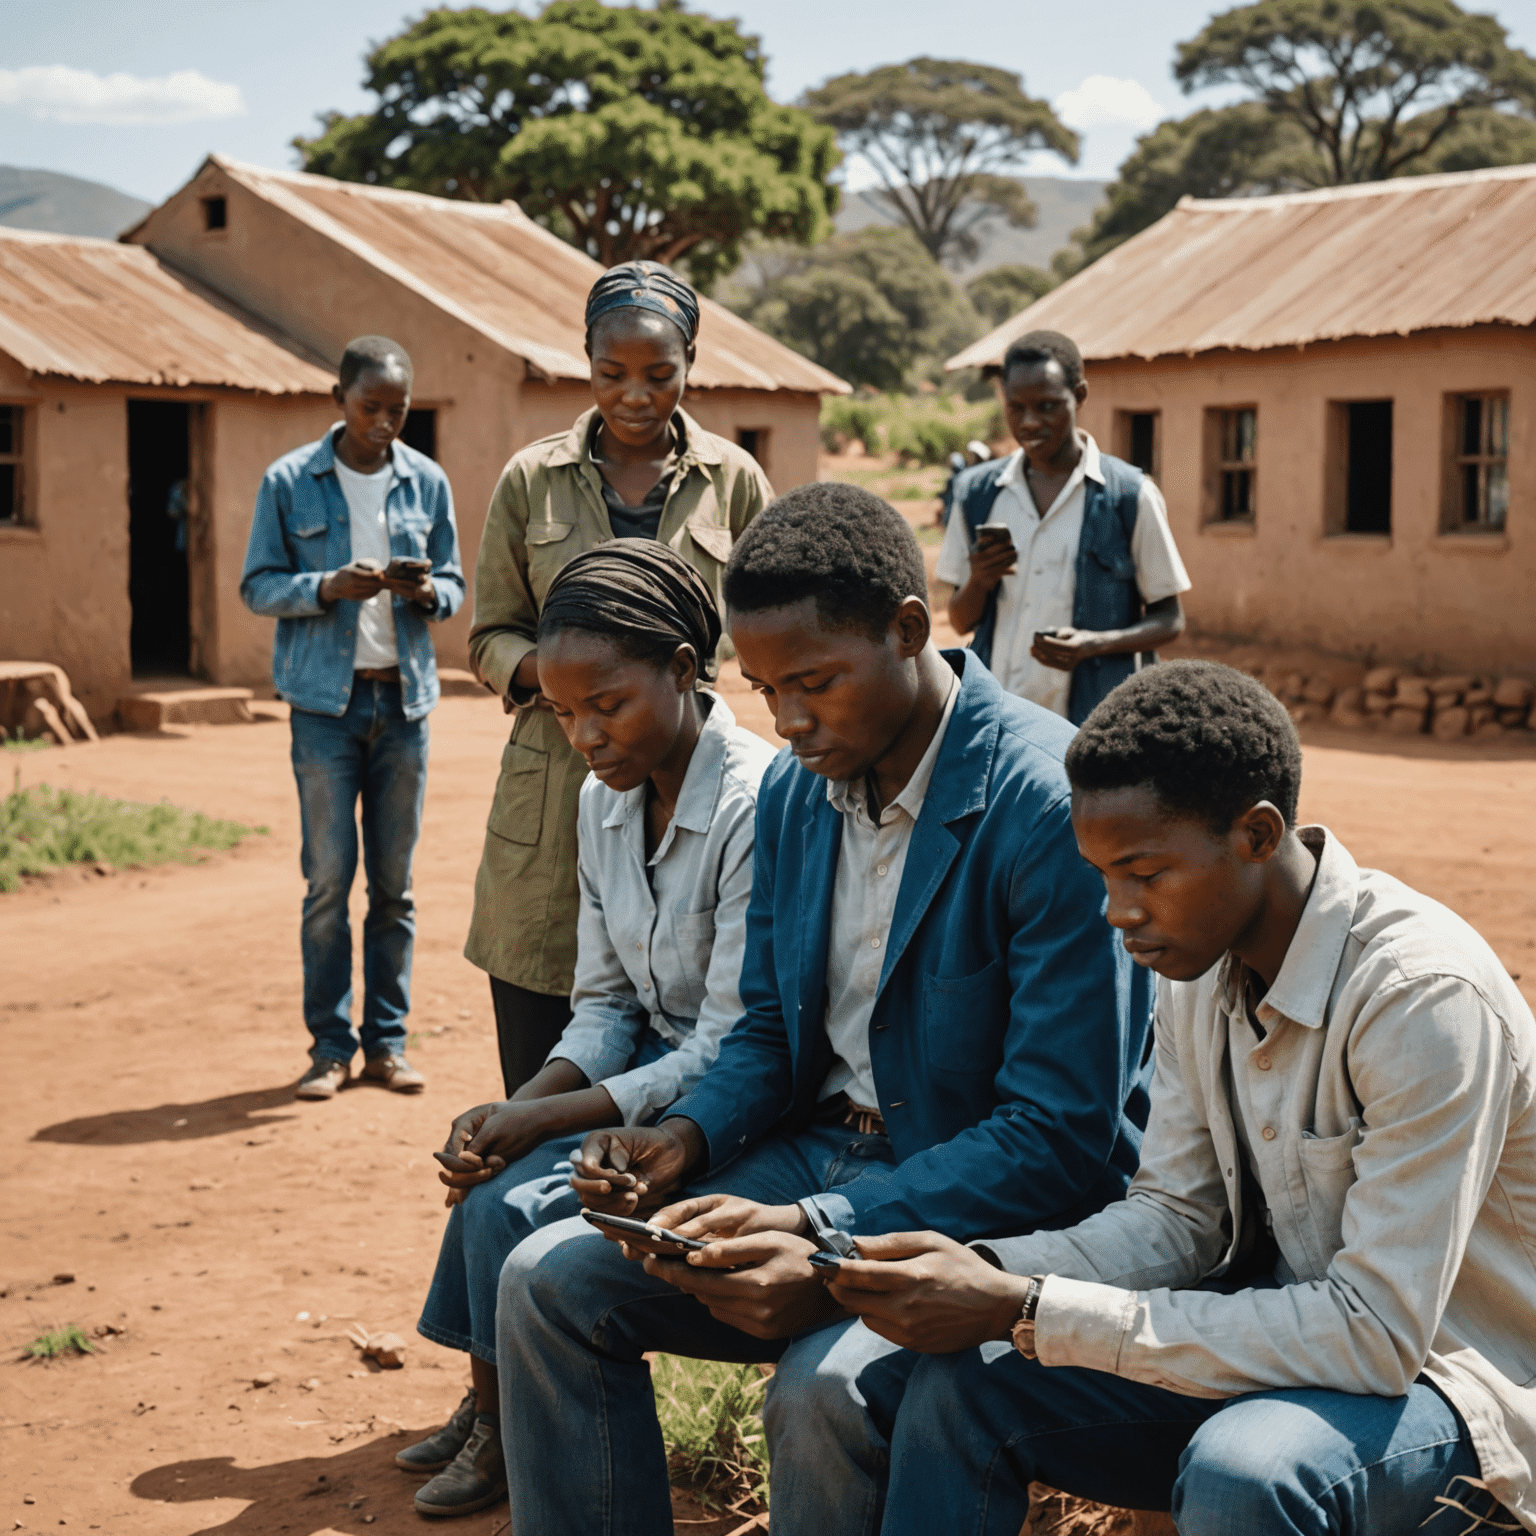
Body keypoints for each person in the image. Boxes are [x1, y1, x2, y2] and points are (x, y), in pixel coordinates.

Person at [493, 483, 1156, 1536]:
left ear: (907, 630)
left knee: (822, 1393)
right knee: (546, 1279)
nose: (788, 721)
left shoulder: (1045, 807)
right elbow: (767, 1028)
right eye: (763, 691)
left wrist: (822, 1232)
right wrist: (681, 1135)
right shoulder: (804, 790)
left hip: (978, 1196)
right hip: (813, 1156)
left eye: (813, 684)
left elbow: (1061, 1136)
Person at [820, 661, 1536, 1536]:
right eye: (1103, 877)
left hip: (1455, 1384)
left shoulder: (1419, 998)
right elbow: (1176, 1219)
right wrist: (987, 1276)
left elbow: (1377, 1335)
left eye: (1146, 873)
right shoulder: (1198, 967)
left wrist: (1035, 1310)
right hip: (1291, 1344)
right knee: (958, 1382)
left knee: (1249, 1468)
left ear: (1258, 835)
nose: (1116, 913)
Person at [394, 541, 775, 1518]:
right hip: (648, 1065)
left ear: (685, 671)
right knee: (488, 1194)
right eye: (564, 715)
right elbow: (605, 1006)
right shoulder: (603, 806)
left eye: (606, 705)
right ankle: (499, 1425)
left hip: (737, 1093)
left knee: (530, 1223)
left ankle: (524, 1431)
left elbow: (732, 1042)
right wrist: (517, 1110)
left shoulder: (755, 806)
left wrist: (554, 1122)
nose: (586, 738)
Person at [465, 261, 773, 1099]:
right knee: (547, 1047)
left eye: (659, 375)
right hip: (554, 790)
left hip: (686, 791)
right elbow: (487, 631)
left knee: (687, 1031)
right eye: (612, 375)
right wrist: (565, 681)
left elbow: (774, 619)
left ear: (691, 363)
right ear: (586, 364)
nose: (635, 395)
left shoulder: (735, 481)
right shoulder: (532, 479)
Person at [241, 336, 464, 1099]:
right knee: (328, 884)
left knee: (395, 889)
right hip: (324, 709)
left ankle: (387, 1047)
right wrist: (327, 586)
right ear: (339, 399)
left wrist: (427, 594)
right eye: (370, 408)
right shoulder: (288, 482)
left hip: (403, 704)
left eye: (397, 411)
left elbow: (457, 582)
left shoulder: (426, 483)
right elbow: (258, 586)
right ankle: (329, 1049)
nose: (383, 424)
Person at [936, 330, 1190, 725]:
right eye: (1016, 408)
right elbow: (959, 619)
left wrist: (1095, 644)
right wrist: (980, 580)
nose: (1030, 422)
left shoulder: (1129, 495)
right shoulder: (978, 494)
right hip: (998, 718)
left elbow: (1170, 619)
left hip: (1091, 723)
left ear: (1081, 396)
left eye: (1048, 406)